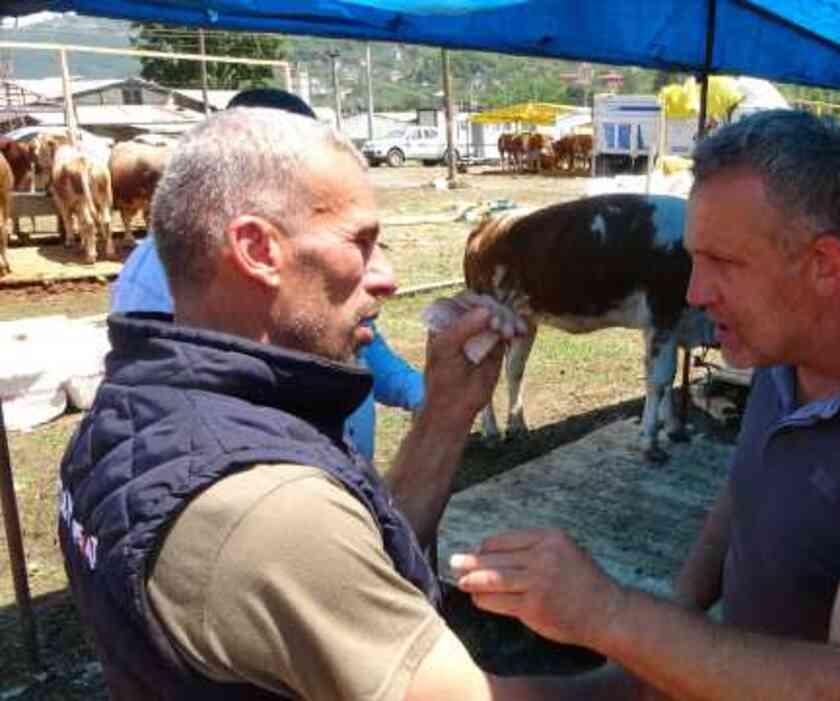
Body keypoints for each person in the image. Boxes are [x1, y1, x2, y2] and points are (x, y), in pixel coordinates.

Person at [452, 109, 840, 700]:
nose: (693, 292)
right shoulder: (785, 353)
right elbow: (747, 490)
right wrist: (666, 632)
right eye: (694, 259)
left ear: (824, 266)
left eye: (724, 263)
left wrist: (609, 613)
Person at [59, 107, 554, 699]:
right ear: (257, 249)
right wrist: (646, 661)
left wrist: (446, 412)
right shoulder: (268, 507)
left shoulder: (133, 411)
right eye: (361, 243)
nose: (387, 277)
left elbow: (357, 565)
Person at [109, 87, 423, 461]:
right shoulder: (166, 278)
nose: (386, 277)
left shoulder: (302, 266)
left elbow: (366, 349)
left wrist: (423, 393)